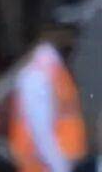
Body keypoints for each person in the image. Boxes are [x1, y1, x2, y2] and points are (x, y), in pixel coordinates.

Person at [9, 19, 87, 172]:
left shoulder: (55, 70)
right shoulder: (38, 74)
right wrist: (60, 168)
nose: (74, 40)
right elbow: (41, 132)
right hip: (42, 166)